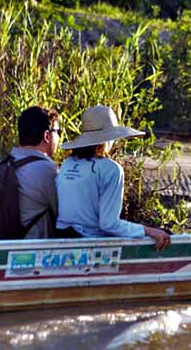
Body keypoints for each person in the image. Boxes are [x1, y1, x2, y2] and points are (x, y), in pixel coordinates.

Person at [55, 105, 171, 250]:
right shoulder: (111, 169)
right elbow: (108, 224)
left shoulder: (68, 163)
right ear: (107, 140)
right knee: (163, 234)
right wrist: (148, 230)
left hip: (59, 236)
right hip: (87, 242)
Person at [12, 106, 60, 238]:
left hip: (4, 246)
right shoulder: (47, 169)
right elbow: (64, 214)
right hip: (33, 252)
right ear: (46, 135)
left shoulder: (5, 163)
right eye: (57, 131)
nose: (59, 137)